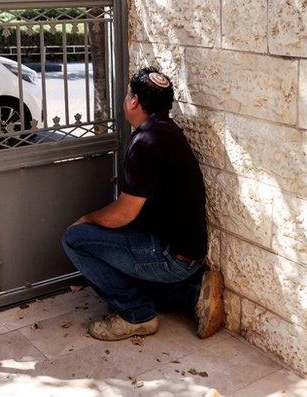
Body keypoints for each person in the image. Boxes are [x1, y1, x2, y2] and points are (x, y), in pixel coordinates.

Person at [61, 67, 223, 341]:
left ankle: (136, 315)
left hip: (171, 258)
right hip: (189, 255)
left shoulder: (147, 142)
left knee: (75, 239)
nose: (125, 101)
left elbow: (124, 213)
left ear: (134, 101)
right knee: (120, 260)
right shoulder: (165, 131)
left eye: (127, 96)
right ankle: (192, 294)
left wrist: (87, 219)